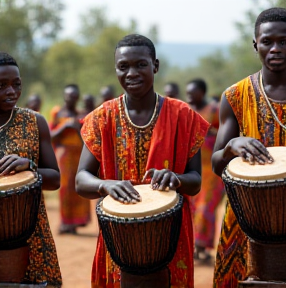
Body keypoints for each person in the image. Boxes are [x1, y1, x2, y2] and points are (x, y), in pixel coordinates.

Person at [76, 34, 210, 288]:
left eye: (141, 65)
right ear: (115, 69)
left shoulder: (183, 116)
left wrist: (176, 178)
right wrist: (106, 185)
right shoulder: (102, 118)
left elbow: (195, 182)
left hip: (169, 235)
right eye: (123, 66)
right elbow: (81, 180)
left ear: (155, 66)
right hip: (117, 238)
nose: (132, 73)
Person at [212, 7, 286, 288]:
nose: (276, 48)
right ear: (256, 44)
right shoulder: (235, 96)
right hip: (246, 219)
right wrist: (232, 144)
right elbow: (216, 164)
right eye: (268, 41)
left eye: (285, 41)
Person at [0, 52, 62, 286]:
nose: (11, 92)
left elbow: (55, 179)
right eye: (2, 85)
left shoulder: (35, 122)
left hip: (31, 231)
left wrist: (30, 167)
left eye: (16, 84)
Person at [186, 78, 224, 263]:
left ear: (202, 92)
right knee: (191, 208)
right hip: (191, 170)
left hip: (211, 170)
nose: (190, 95)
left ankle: (201, 246)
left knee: (205, 208)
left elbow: (225, 131)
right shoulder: (185, 110)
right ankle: (193, 247)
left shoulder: (214, 110)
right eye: (188, 93)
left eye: (193, 92)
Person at [50, 84, 90, 234]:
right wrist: (65, 126)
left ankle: (75, 223)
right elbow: (51, 136)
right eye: (68, 96)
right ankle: (65, 222)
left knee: (77, 188)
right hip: (64, 156)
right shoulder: (58, 113)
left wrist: (77, 127)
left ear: (77, 98)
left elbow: (86, 139)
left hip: (79, 155)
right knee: (65, 188)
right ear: (64, 96)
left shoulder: (81, 115)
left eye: (74, 97)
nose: (71, 99)